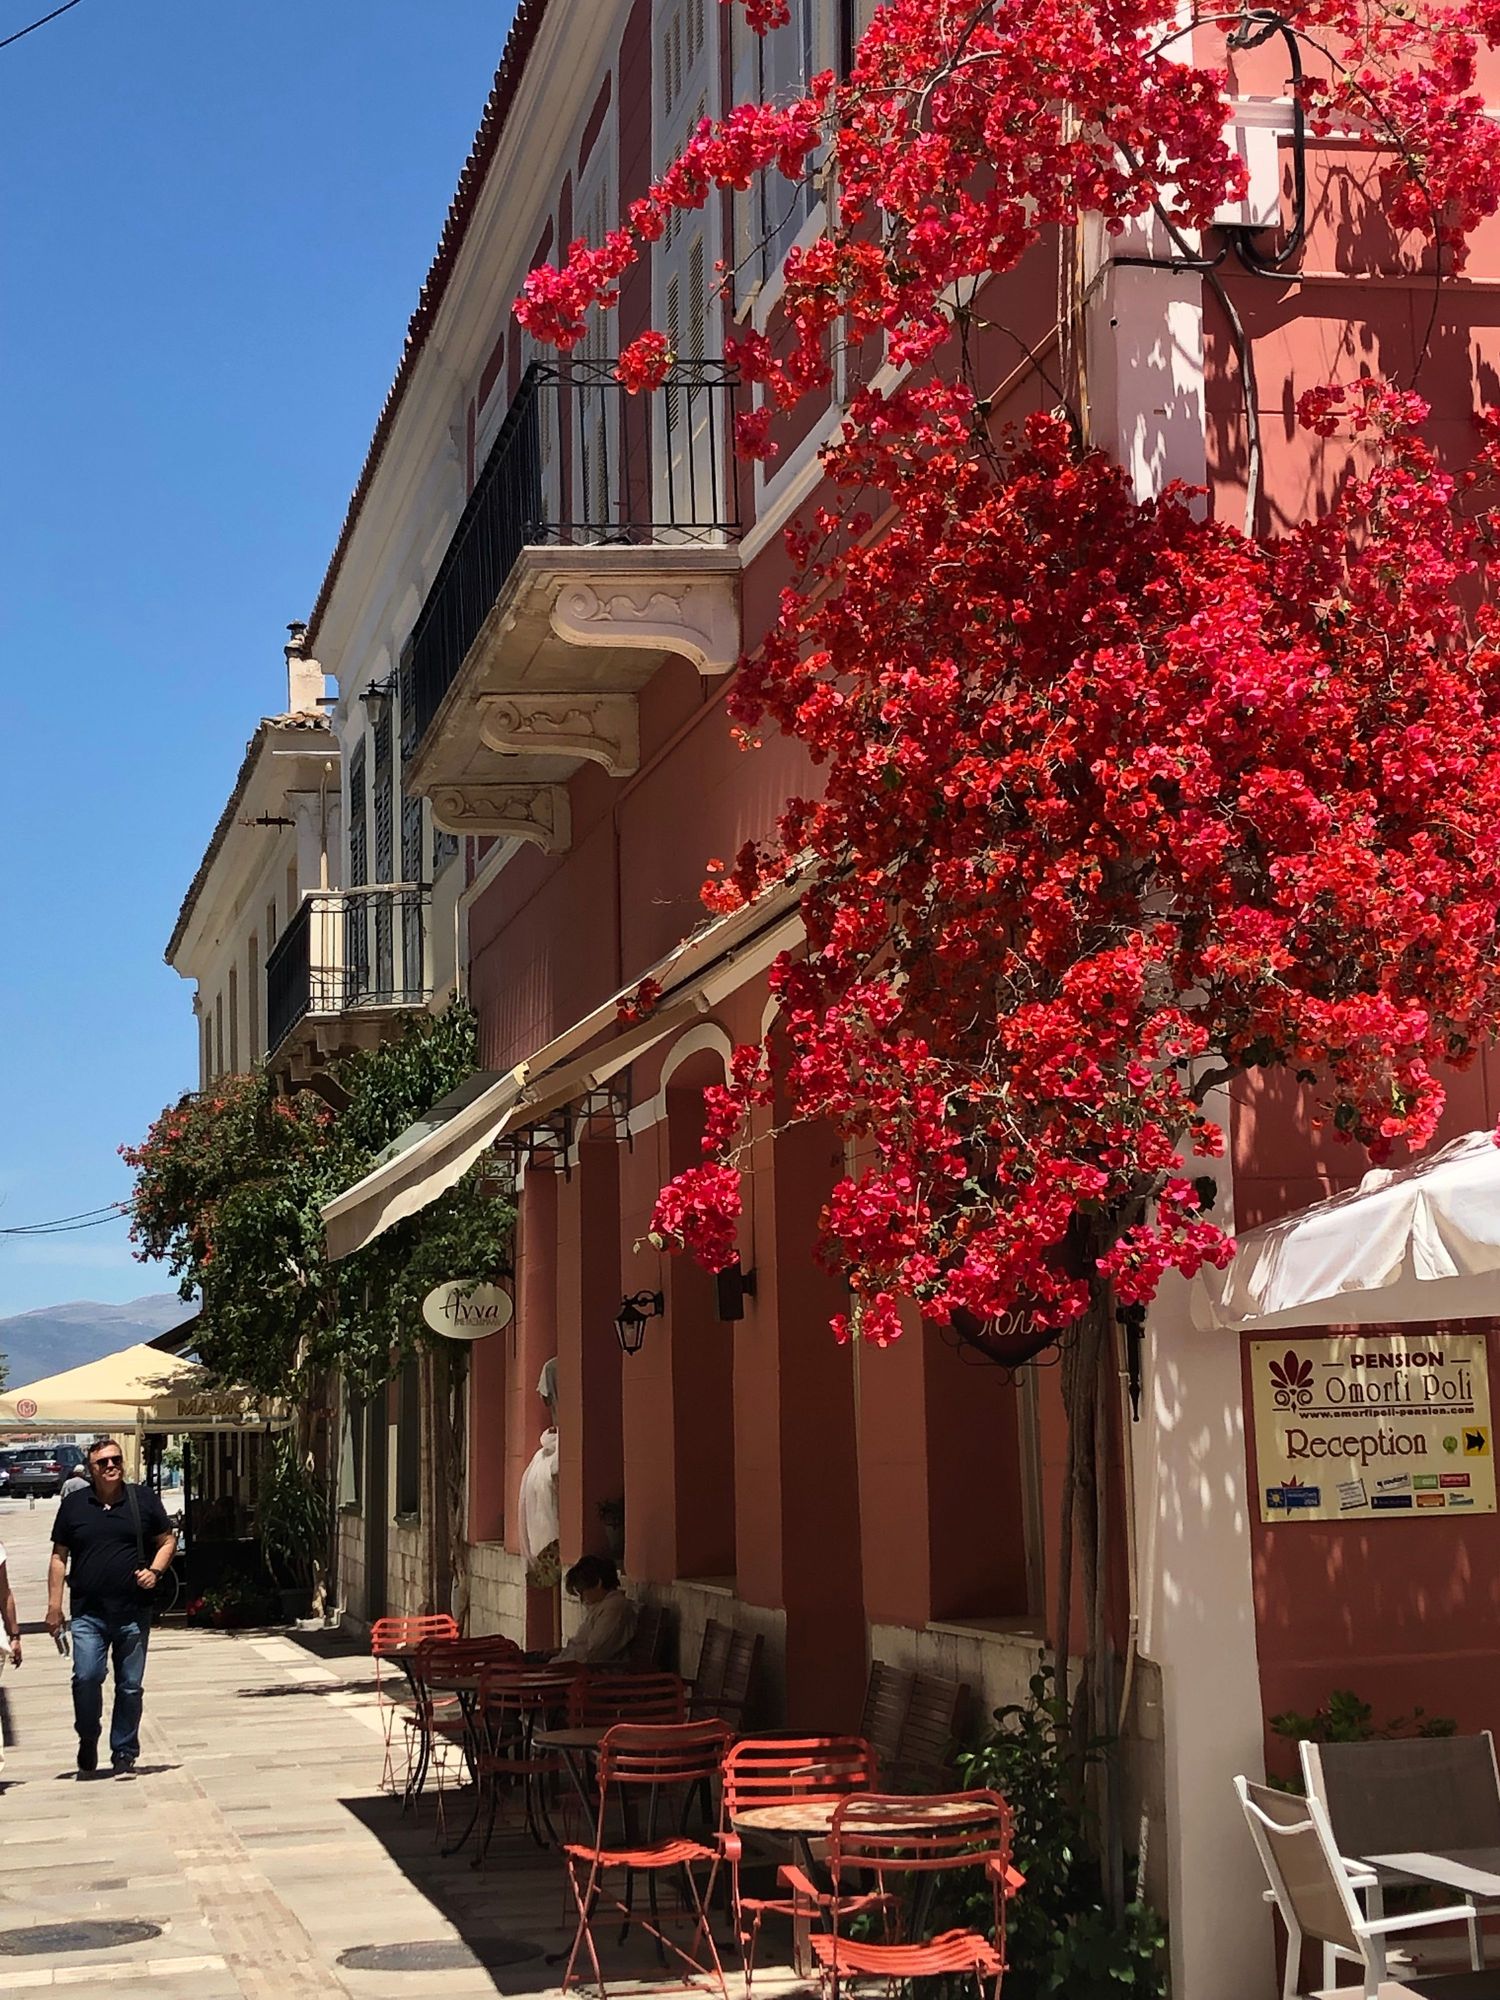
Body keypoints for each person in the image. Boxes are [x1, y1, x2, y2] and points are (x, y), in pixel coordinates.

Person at [45, 1437, 176, 1777]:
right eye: (102, 1462)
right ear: (91, 1469)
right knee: (86, 1676)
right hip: (88, 1612)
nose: (110, 1466)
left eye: (115, 1459)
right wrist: (54, 1606)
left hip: (133, 1610)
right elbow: (59, 1557)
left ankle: (124, 1752)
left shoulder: (142, 1499)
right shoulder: (74, 1505)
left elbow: (167, 1540)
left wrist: (155, 1572)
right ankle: (88, 1735)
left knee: (130, 1686)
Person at [554, 1555, 637, 1665]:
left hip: (595, 1671)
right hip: (579, 1666)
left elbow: (594, 1651)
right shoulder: (602, 1606)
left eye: (582, 1592)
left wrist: (559, 1663)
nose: (582, 1599)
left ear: (598, 1583)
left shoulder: (615, 1607)